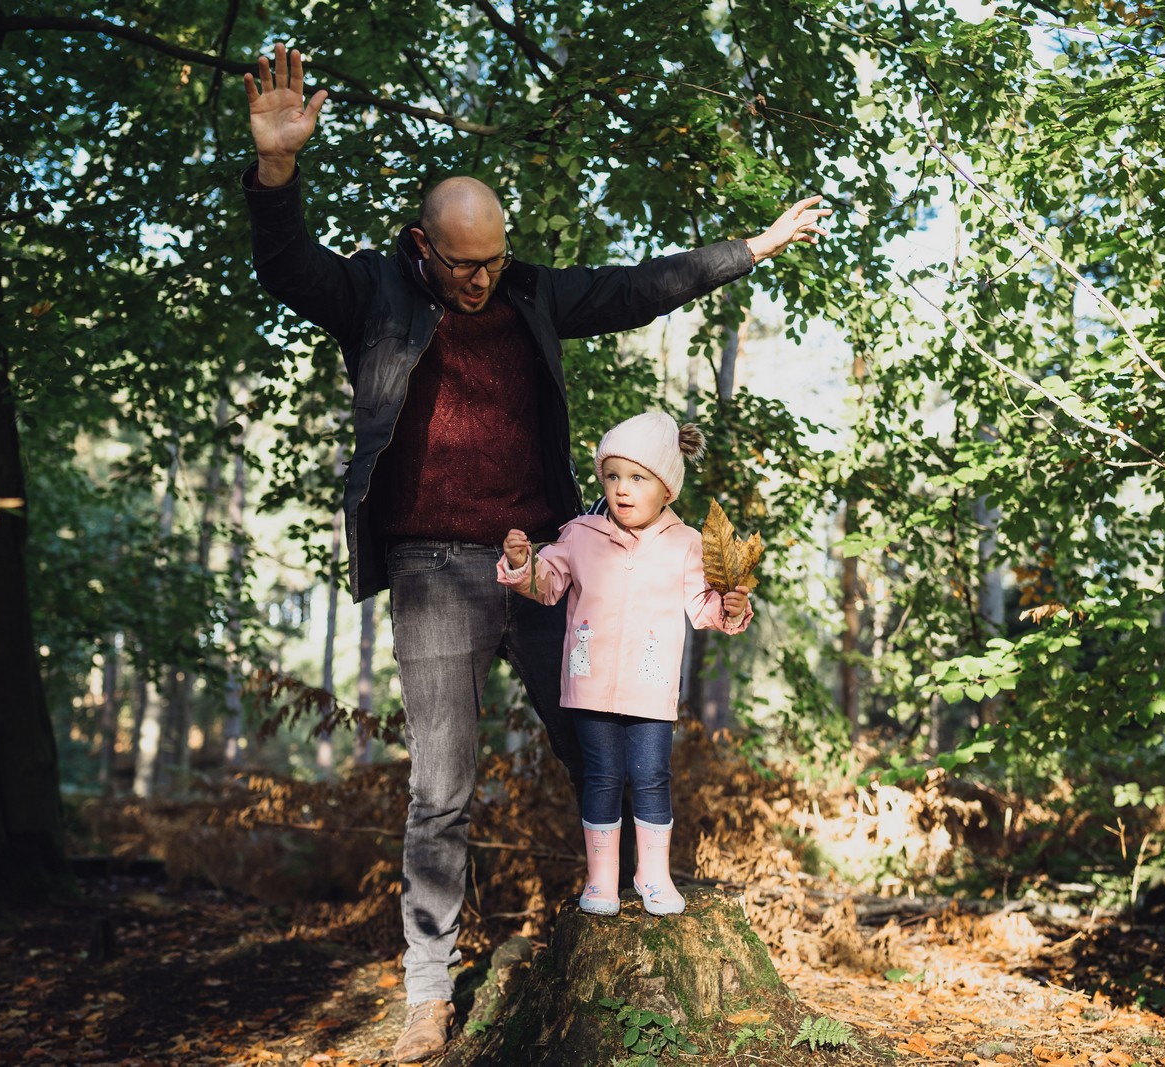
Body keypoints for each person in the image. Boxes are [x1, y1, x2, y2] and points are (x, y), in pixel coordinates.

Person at [240, 44, 828, 1063]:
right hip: (430, 568)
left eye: (492, 259)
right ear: (423, 246)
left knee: (602, 740)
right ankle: (429, 993)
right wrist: (278, 169)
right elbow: (286, 266)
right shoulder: (377, 294)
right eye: (461, 261)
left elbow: (641, 286)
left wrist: (754, 247)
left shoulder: (532, 298)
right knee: (442, 787)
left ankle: (649, 919)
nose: (478, 278)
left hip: (548, 565)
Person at [499, 412, 751, 919]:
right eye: (612, 476)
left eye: (638, 478)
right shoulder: (579, 534)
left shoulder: (686, 545)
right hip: (590, 686)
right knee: (602, 776)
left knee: (652, 776)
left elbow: (704, 608)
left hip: (651, 690)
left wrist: (731, 607)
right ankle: (601, 881)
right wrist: (523, 565)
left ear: (668, 489)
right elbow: (547, 587)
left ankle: (653, 876)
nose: (622, 489)